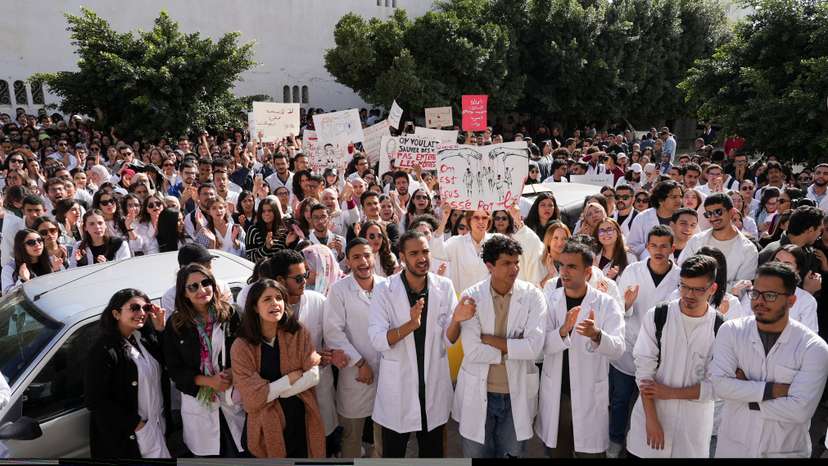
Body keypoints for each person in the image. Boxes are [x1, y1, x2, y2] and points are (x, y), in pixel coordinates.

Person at [711, 262, 828, 458]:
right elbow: (720, 386)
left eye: (770, 296)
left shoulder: (814, 348)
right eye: (755, 293)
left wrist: (743, 393)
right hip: (734, 447)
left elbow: (800, 411)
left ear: (791, 301)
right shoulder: (731, 331)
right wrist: (772, 390)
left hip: (785, 449)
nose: (759, 301)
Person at [451, 236, 546, 458]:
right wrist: (514, 348)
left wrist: (490, 339)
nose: (514, 268)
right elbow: (473, 351)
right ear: (489, 265)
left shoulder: (533, 296)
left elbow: (534, 348)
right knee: (476, 454)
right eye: (506, 263)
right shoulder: (471, 296)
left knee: (512, 453)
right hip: (479, 389)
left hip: (516, 393)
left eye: (516, 262)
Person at [367, 230, 458, 457]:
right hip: (399, 391)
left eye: (425, 251)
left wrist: (459, 319)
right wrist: (410, 325)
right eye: (414, 253)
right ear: (402, 256)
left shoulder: (444, 287)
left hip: (433, 388)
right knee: (394, 455)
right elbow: (378, 339)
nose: (422, 258)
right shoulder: (384, 290)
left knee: (433, 454)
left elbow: (450, 338)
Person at [625, 255, 722, 458]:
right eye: (684, 286)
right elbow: (644, 372)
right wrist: (651, 420)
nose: (688, 294)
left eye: (698, 289)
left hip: (692, 433)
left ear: (712, 289)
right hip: (650, 423)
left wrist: (669, 392)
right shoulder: (658, 316)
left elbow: (718, 387)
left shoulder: (721, 327)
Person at [536, 240, 626, 457]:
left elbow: (618, 349)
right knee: (558, 452)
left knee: (591, 454)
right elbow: (540, 347)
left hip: (589, 393)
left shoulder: (606, 304)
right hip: (559, 394)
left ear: (587, 272)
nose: (564, 272)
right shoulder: (550, 300)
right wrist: (563, 330)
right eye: (561, 265)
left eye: (572, 266)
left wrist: (597, 335)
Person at [231, 279, 326, 458]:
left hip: (300, 420)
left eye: (279, 298)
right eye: (267, 299)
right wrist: (289, 379)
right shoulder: (242, 346)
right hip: (265, 426)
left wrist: (277, 391)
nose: (275, 303)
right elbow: (252, 399)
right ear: (254, 307)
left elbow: (313, 376)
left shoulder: (298, 332)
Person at [609, 225, 681, 457]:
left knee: (649, 402)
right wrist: (627, 304)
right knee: (620, 399)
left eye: (663, 246)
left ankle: (640, 444)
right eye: (653, 246)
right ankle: (616, 439)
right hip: (629, 347)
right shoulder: (632, 271)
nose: (658, 250)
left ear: (672, 247)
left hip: (661, 353)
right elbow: (617, 308)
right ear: (647, 247)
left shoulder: (680, 277)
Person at [163, 263, 246, 457]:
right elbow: (174, 369)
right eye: (193, 286)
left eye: (205, 282)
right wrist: (209, 381)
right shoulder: (176, 325)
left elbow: (250, 351)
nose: (201, 290)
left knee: (242, 451)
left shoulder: (231, 314)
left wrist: (234, 372)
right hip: (200, 403)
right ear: (184, 293)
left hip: (233, 397)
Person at [85, 288, 170, 458]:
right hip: (131, 435)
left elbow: (168, 361)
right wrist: (136, 424)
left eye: (145, 308)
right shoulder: (104, 350)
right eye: (134, 308)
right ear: (116, 314)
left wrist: (161, 329)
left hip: (156, 426)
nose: (141, 313)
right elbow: (95, 400)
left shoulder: (144, 337)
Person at [270, 249, 340, 450]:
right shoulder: (269, 309)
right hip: (287, 390)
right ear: (281, 280)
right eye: (299, 278)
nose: (305, 281)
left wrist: (327, 354)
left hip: (319, 384)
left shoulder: (317, 300)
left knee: (323, 439)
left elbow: (332, 336)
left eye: (306, 275)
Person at [323, 238, 386, 458]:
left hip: (386, 372)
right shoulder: (339, 290)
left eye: (367, 255)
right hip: (355, 374)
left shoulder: (387, 286)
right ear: (348, 261)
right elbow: (333, 332)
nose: (363, 261)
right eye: (356, 257)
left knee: (382, 437)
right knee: (351, 437)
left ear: (374, 257)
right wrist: (360, 362)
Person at [678, 193, 759, 289]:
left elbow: (742, 287)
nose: (713, 217)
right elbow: (682, 274)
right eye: (708, 214)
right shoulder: (696, 241)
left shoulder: (749, 250)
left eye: (718, 212)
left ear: (732, 212)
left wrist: (702, 288)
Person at [762, 245, 819, 332]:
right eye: (776, 261)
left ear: (797, 269)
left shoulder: (807, 301)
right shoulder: (754, 291)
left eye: (787, 264)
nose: (779, 267)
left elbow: (810, 339)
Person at [628, 180, 683, 259]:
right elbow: (632, 247)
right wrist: (650, 245)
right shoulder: (642, 218)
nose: (679, 200)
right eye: (673, 197)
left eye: (680, 196)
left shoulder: (686, 216)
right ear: (660, 200)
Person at [245, 196, 287, 262]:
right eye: (263, 211)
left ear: (275, 212)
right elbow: (250, 258)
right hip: (260, 271)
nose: (266, 214)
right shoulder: (253, 230)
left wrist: (288, 244)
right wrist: (266, 248)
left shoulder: (283, 230)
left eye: (270, 211)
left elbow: (286, 258)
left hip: (279, 271)